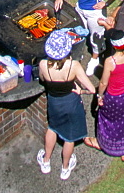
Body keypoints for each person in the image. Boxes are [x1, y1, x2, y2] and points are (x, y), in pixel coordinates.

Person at [37, 29, 96, 180]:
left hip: (54, 101)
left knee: (52, 127)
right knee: (69, 137)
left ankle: (46, 161)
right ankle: (65, 168)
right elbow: (91, 89)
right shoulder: (73, 66)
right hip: (71, 103)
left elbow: (43, 80)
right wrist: (80, 91)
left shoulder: (43, 64)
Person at [84, 29, 124, 162]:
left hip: (114, 96)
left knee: (109, 120)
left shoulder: (111, 61)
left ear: (114, 46)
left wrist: (100, 96)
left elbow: (103, 83)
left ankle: (102, 143)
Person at [54, 0, 114, 75]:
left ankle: (95, 58)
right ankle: (79, 51)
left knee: (96, 37)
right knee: (78, 32)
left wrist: (106, 3)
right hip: (80, 10)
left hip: (95, 13)